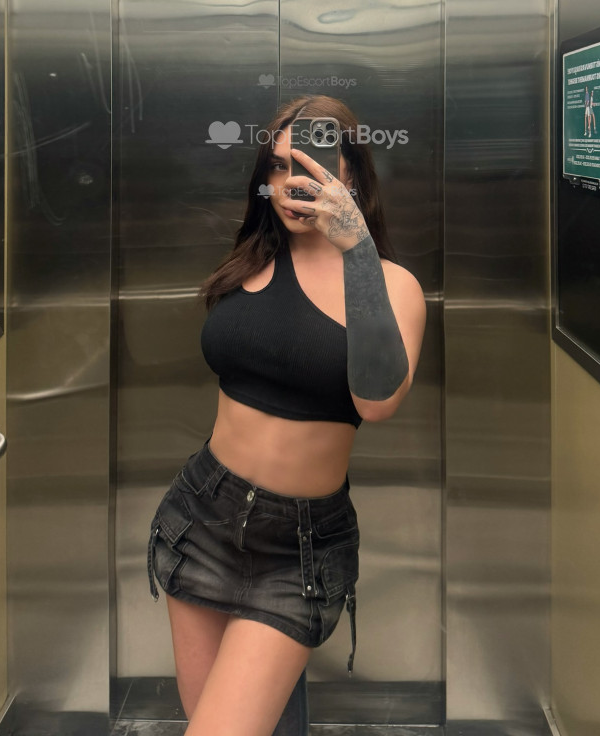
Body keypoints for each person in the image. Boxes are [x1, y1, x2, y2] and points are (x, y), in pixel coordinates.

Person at [146, 94, 427, 736]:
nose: (291, 181)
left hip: (297, 550)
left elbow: (378, 402)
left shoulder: (393, 285)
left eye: (310, 163)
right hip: (201, 515)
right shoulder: (252, 259)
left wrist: (357, 249)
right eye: (277, 166)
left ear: (351, 173)